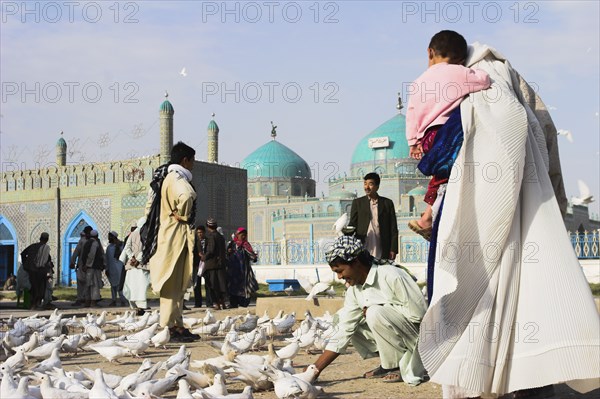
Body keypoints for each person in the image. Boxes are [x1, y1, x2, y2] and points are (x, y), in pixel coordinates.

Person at [417, 41, 600, 398]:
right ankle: (533, 377)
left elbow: (435, 158)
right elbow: (547, 140)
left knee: (479, 296)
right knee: (535, 295)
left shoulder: (466, 91)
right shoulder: (515, 86)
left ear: (432, 55)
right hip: (532, 206)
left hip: (477, 209)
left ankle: (481, 378)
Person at [405, 30, 491, 241]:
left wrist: (413, 142)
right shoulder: (458, 73)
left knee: (441, 177)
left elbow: (411, 113)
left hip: (426, 138)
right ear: (461, 60)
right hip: (446, 133)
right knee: (447, 177)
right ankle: (428, 218)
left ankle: (428, 217)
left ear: (430, 52)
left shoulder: (418, 82)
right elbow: (485, 80)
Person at [309, 236, 427, 385]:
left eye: (340, 271)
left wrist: (382, 308)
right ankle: (388, 364)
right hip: (401, 334)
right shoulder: (354, 290)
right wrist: (314, 369)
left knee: (374, 312)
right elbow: (344, 330)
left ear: (356, 262)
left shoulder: (391, 275)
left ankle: (398, 365)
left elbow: (420, 314)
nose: (339, 277)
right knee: (344, 319)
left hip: (422, 340)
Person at [146, 141, 199, 342]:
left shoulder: (168, 177)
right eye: (192, 161)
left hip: (174, 238)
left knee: (177, 287)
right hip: (173, 238)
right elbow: (187, 196)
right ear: (185, 160)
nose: (193, 165)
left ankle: (177, 325)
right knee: (170, 286)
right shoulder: (176, 178)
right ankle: (167, 327)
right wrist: (183, 216)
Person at [349, 172, 398, 260]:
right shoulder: (358, 203)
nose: (367, 187)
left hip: (382, 244)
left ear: (377, 186)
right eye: (365, 184)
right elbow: (352, 224)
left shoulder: (387, 203)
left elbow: (393, 228)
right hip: (364, 244)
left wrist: (393, 249)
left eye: (370, 184)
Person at [121, 217, 151, 314]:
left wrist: (132, 258)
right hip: (140, 265)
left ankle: (135, 306)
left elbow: (127, 248)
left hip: (133, 265)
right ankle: (140, 307)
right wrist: (137, 259)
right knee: (140, 286)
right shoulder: (147, 234)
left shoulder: (133, 234)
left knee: (134, 286)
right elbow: (147, 249)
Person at [226, 227, 259, 308]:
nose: (243, 237)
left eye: (245, 235)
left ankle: (243, 302)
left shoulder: (246, 245)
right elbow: (226, 253)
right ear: (237, 235)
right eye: (242, 235)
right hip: (233, 270)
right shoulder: (232, 244)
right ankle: (233, 303)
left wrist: (254, 257)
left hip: (243, 270)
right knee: (232, 286)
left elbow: (251, 255)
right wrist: (228, 252)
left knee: (244, 287)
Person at [20, 232, 52, 309]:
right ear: (47, 240)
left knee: (33, 286)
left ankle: (33, 303)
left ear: (40, 238)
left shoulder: (33, 246)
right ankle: (35, 303)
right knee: (40, 287)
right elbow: (48, 260)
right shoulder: (45, 248)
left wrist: (25, 264)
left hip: (31, 269)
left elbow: (23, 254)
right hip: (40, 270)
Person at [203, 217, 228, 310]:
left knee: (213, 285)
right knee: (221, 284)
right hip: (220, 264)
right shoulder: (220, 236)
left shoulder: (210, 236)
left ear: (207, 226)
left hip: (212, 265)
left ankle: (216, 303)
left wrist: (203, 257)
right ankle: (223, 303)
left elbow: (211, 250)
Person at [80, 229, 105, 307]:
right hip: (93, 267)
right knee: (94, 284)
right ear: (96, 236)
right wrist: (88, 265)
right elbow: (91, 255)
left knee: (88, 284)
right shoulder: (94, 243)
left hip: (88, 267)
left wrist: (85, 265)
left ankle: (87, 301)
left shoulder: (87, 242)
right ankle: (93, 302)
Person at [70, 226, 92, 307]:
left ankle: (81, 299)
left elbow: (76, 252)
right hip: (88, 266)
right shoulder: (93, 241)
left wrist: (72, 262)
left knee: (81, 283)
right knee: (87, 283)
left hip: (83, 265)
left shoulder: (82, 241)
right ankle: (86, 299)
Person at [193, 225, 212, 308]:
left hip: (206, 265)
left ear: (204, 232)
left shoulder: (208, 241)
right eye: (198, 233)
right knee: (197, 285)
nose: (199, 234)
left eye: (201, 232)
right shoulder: (195, 242)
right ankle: (198, 303)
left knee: (208, 284)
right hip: (197, 265)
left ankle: (209, 302)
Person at [105, 231, 126, 306]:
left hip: (120, 269)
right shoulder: (109, 247)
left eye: (110, 237)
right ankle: (114, 300)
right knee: (113, 285)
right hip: (111, 269)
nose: (109, 238)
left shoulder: (121, 246)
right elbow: (106, 258)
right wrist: (106, 268)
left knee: (120, 285)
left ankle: (123, 300)